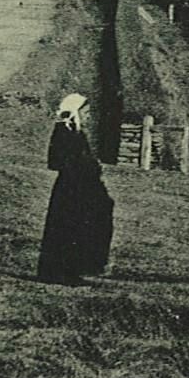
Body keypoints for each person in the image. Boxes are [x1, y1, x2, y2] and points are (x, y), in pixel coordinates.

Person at [38, 93, 115, 284]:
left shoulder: (76, 131)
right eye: (86, 112)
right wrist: (85, 166)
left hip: (80, 186)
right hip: (71, 188)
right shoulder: (64, 131)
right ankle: (60, 272)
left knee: (81, 226)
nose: (88, 116)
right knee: (67, 228)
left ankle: (75, 269)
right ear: (75, 111)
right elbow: (57, 161)